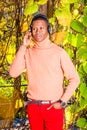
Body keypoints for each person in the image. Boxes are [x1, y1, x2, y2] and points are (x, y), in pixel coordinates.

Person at [9, 14, 80, 130]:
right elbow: (13, 73)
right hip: (33, 107)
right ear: (30, 31)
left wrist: (62, 101)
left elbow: (75, 79)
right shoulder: (27, 53)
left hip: (53, 107)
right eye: (34, 28)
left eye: (41, 28)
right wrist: (23, 46)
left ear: (49, 29)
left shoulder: (59, 52)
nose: (38, 31)